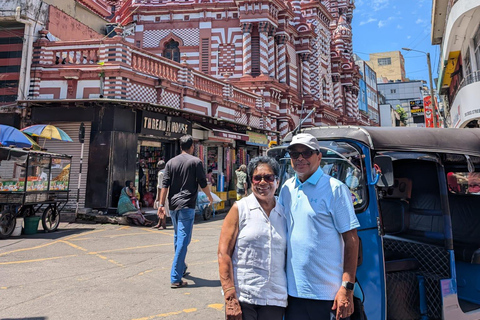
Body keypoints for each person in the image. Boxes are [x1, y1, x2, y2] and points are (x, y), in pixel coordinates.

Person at [279, 133, 360, 320]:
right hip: (294, 293)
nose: (300, 158)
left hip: (328, 295)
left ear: (319, 156)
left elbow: (351, 239)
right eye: (294, 153)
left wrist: (347, 287)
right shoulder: (287, 188)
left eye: (306, 153)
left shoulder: (335, 189)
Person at [218, 156, 287, 320]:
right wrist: (229, 296)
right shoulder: (240, 209)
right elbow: (223, 254)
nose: (263, 182)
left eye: (268, 177)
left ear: (277, 181)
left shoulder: (284, 213)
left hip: (275, 298)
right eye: (257, 178)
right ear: (250, 182)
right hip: (244, 297)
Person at [158, 135, 214, 288]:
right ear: (192, 147)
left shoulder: (170, 162)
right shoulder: (196, 162)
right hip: (187, 205)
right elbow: (203, 183)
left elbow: (165, 185)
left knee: (178, 238)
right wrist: (210, 197)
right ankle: (175, 277)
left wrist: (161, 204)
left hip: (174, 205)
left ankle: (181, 268)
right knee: (183, 239)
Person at [154, 160, 168, 229]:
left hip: (162, 192)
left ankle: (163, 224)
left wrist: (158, 197)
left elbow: (160, 186)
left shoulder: (160, 173)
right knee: (163, 207)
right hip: (167, 191)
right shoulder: (167, 172)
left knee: (162, 207)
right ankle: (160, 223)